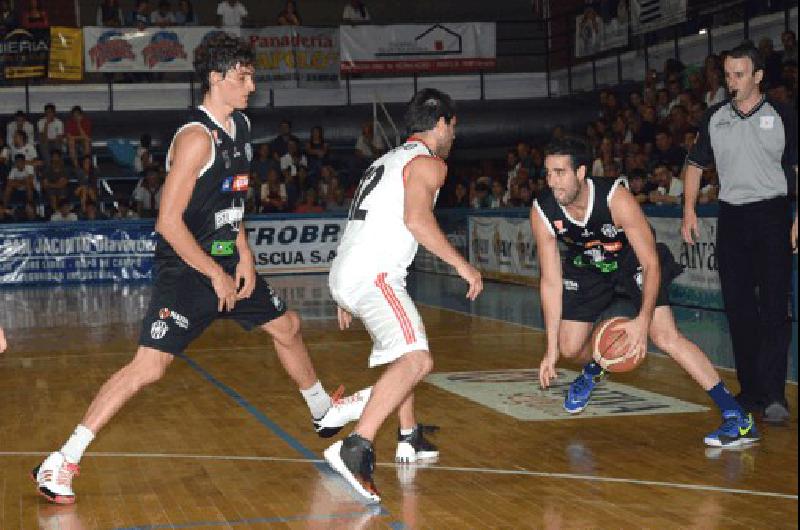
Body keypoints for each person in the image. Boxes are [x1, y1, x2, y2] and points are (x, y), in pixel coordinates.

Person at [32, 35, 369, 506]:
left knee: (288, 326)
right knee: (148, 370)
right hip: (189, 269)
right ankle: (61, 460)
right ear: (216, 79)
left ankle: (321, 411)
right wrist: (214, 272)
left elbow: (232, 202)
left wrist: (245, 256)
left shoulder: (242, 127)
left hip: (228, 261)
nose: (251, 86)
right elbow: (167, 222)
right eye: (242, 77)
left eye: (251, 76)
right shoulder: (195, 139)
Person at [531, 137, 758, 449]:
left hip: (633, 260)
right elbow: (551, 281)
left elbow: (651, 264)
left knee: (665, 336)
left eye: (560, 173)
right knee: (568, 347)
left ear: (581, 171)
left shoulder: (616, 198)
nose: (552, 182)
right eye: (548, 174)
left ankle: (737, 417)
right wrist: (549, 349)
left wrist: (642, 320)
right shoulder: (543, 210)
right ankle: (597, 365)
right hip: (587, 265)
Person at [324, 88, 483, 502]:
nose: (454, 135)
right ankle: (355, 444)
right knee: (417, 359)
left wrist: (344, 292)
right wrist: (461, 264)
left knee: (404, 351)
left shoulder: (384, 160)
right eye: (454, 126)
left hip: (351, 267)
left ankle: (409, 435)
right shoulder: (430, 163)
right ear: (442, 123)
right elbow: (417, 219)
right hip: (374, 273)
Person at [682, 43, 797, 425]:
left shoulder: (782, 114)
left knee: (775, 308)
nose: (731, 81)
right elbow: (696, 166)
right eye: (728, 74)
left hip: (773, 215)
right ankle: (750, 391)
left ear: (758, 76)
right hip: (732, 218)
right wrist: (688, 211)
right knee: (739, 308)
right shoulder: (714, 117)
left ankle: (775, 393)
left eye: (739, 74)